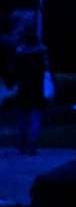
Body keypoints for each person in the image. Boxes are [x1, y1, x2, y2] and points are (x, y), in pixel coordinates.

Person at [3, 12, 48, 155]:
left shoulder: (21, 56)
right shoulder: (41, 55)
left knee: (23, 117)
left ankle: (23, 144)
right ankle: (32, 145)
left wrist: (11, 82)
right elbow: (46, 71)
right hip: (37, 90)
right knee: (35, 118)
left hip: (24, 90)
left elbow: (14, 73)